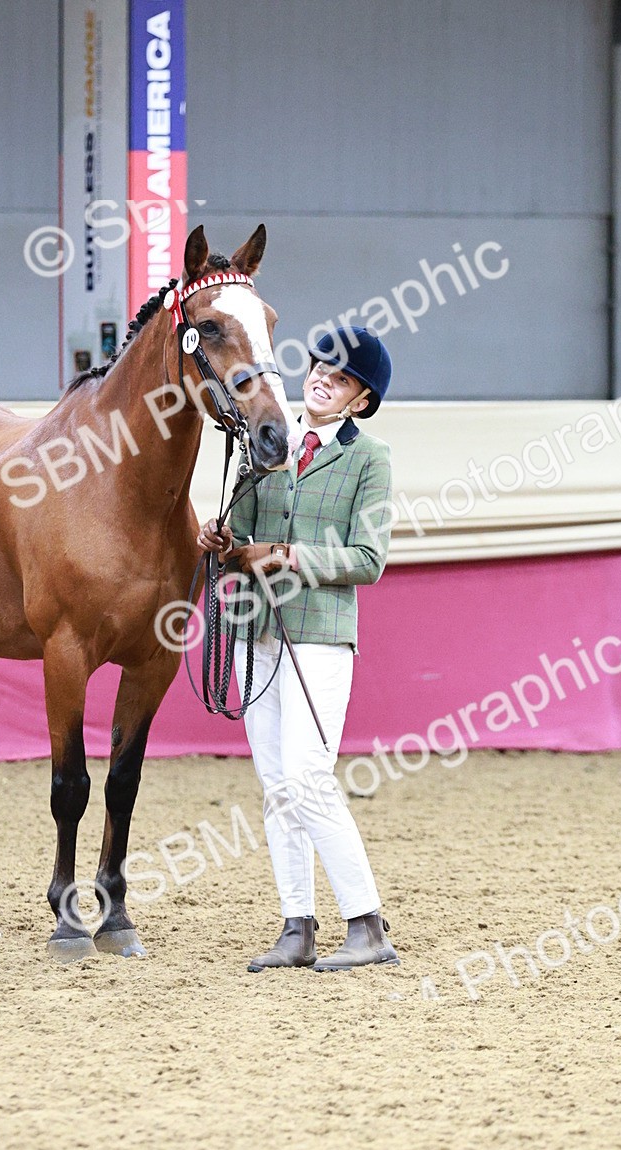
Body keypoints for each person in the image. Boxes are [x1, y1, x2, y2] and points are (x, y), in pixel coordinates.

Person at [198, 326, 399, 972]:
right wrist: (225, 539)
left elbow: (367, 559)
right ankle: (296, 926)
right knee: (276, 787)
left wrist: (284, 555)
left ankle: (367, 923)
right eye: (319, 366)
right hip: (256, 632)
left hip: (319, 636)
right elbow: (245, 535)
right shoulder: (271, 444)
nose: (321, 378)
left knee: (309, 778)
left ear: (358, 402)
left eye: (339, 378)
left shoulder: (369, 460)